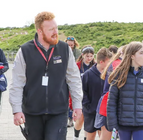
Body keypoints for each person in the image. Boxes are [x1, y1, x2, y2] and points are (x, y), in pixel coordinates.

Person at [9, 11, 83, 140]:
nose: (56, 32)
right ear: (40, 31)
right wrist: (16, 109)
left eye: (56, 28)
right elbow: (17, 82)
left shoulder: (65, 49)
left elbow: (74, 79)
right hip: (32, 112)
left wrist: (77, 105)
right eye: (51, 29)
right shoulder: (25, 51)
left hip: (58, 112)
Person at [107, 42, 143, 140]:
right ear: (132, 56)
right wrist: (112, 123)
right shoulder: (119, 74)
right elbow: (112, 101)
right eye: (141, 53)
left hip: (141, 123)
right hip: (123, 123)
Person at [94, 45, 126, 140]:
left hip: (111, 104)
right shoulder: (118, 64)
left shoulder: (118, 63)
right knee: (106, 137)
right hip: (109, 105)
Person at [82, 47, 112, 140]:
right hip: (91, 111)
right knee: (90, 135)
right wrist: (88, 107)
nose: (110, 64)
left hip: (104, 112)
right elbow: (83, 92)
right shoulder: (88, 74)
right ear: (102, 61)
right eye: (109, 61)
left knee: (103, 135)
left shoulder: (110, 74)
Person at [73, 45, 95, 140]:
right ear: (82, 55)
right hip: (80, 95)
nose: (89, 58)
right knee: (80, 119)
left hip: (91, 95)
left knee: (88, 120)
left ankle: (86, 138)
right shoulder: (77, 66)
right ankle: (76, 136)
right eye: (87, 56)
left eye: (91, 56)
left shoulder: (95, 66)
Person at [64, 36, 81, 127]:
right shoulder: (62, 50)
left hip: (73, 76)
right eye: (68, 45)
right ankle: (67, 117)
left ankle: (71, 118)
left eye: (71, 45)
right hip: (64, 77)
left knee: (72, 99)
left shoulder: (77, 52)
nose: (70, 46)